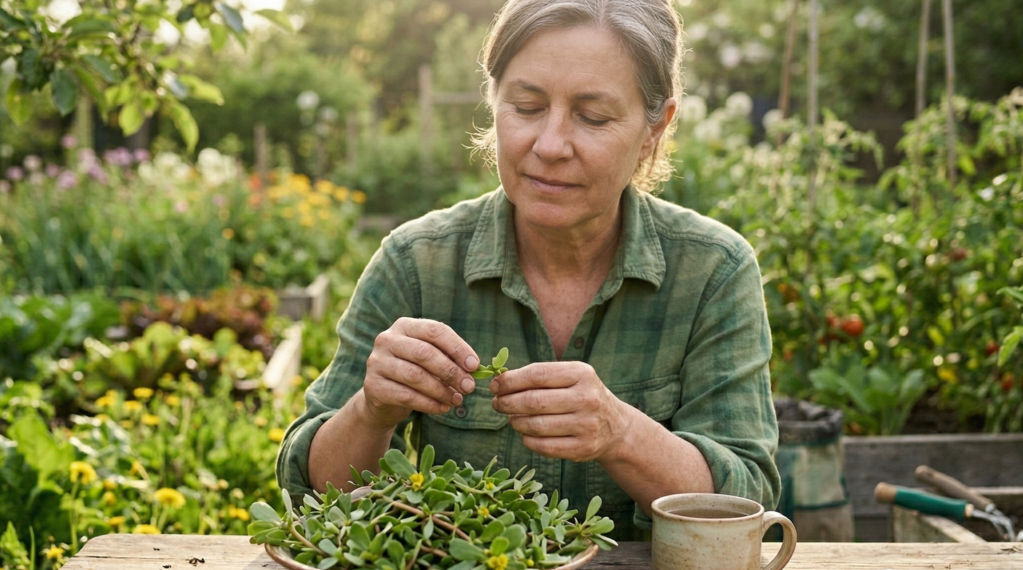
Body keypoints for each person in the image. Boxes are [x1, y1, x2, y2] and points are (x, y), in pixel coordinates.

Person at [277, 0, 779, 540]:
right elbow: (310, 493)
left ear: (655, 128)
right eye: (526, 106)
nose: (550, 145)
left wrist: (622, 433)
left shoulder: (712, 272)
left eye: (592, 117)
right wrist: (371, 411)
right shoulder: (416, 263)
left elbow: (745, 500)